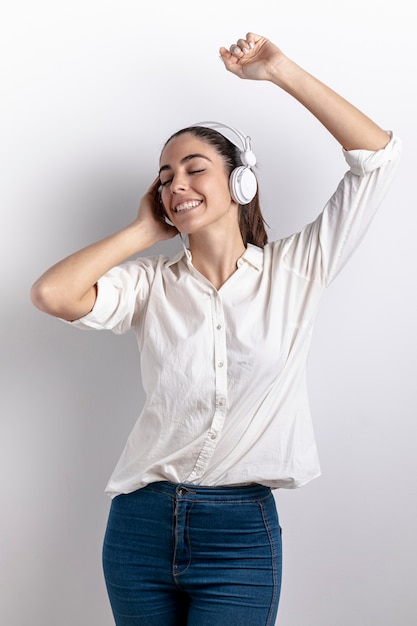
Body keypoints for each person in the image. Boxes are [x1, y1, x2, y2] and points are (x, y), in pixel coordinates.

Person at [31, 32, 401, 626]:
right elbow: (52, 294)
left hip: (240, 534)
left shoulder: (297, 269)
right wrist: (142, 232)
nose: (176, 184)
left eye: (194, 169)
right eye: (165, 176)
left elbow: (377, 157)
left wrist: (279, 71)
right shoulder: (150, 285)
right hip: (138, 526)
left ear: (241, 182)